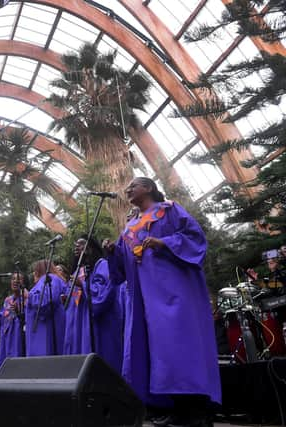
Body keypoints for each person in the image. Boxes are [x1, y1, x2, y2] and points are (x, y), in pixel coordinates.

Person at [104, 177, 220, 427]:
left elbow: (195, 238)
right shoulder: (130, 226)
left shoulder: (168, 210)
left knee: (181, 347)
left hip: (175, 293)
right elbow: (123, 271)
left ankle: (198, 412)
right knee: (159, 353)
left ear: (148, 188)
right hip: (146, 300)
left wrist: (164, 242)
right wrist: (114, 253)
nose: (128, 190)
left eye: (133, 185)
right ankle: (175, 408)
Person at [63, 236, 123, 373]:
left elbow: (103, 292)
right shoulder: (80, 270)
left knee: (103, 361)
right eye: (75, 245)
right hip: (81, 322)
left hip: (100, 324)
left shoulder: (102, 265)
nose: (76, 247)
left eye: (81, 244)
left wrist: (82, 285)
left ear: (91, 248)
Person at [0, 272, 28, 369]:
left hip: (18, 336)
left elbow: (30, 317)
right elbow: (2, 316)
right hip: (6, 337)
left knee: (17, 364)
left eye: (18, 279)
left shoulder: (27, 298)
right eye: (13, 279)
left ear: (23, 282)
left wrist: (18, 311)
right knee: (5, 364)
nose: (15, 281)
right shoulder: (7, 300)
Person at [25, 259, 66, 356]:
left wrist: (29, 296)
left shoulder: (50, 278)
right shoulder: (44, 281)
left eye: (36, 270)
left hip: (45, 332)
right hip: (40, 331)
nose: (34, 273)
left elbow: (46, 301)